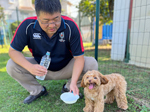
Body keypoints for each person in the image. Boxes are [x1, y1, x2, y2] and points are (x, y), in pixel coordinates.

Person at [6, 0, 98, 104]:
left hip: (66, 68)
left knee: (91, 63)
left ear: (60, 13)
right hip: (41, 69)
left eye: (56, 19)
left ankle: (69, 88)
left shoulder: (70, 26)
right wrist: (30, 67)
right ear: (37, 16)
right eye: (45, 21)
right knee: (11, 65)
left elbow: (79, 58)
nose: (52, 25)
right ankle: (37, 90)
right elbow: (13, 51)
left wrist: (73, 82)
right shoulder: (27, 25)